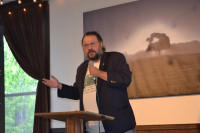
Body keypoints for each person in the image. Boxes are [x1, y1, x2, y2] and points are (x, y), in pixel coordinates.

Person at [42, 31, 136, 133]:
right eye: (86, 45)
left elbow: (125, 79)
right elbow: (77, 92)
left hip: (118, 126)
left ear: (100, 44)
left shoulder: (115, 58)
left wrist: (100, 73)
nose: (89, 48)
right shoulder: (82, 68)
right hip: (91, 128)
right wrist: (59, 85)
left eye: (92, 44)